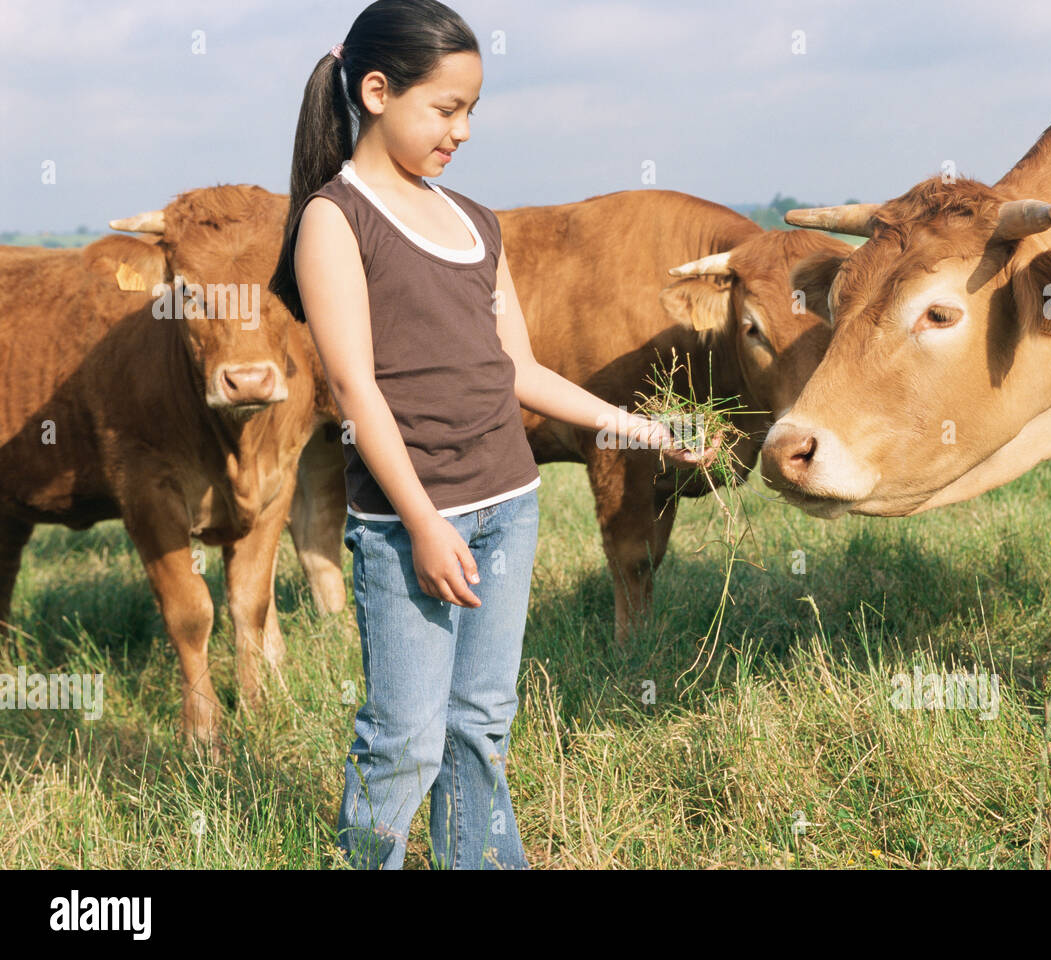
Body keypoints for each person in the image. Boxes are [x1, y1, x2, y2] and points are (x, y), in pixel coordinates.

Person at [269, 0, 716, 869]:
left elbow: (520, 370)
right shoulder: (336, 219)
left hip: (508, 505)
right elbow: (356, 393)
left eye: (472, 110)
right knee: (404, 739)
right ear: (375, 92)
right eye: (445, 109)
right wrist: (427, 524)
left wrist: (641, 426)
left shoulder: (475, 220)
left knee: (481, 724)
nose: (462, 131)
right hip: (409, 525)